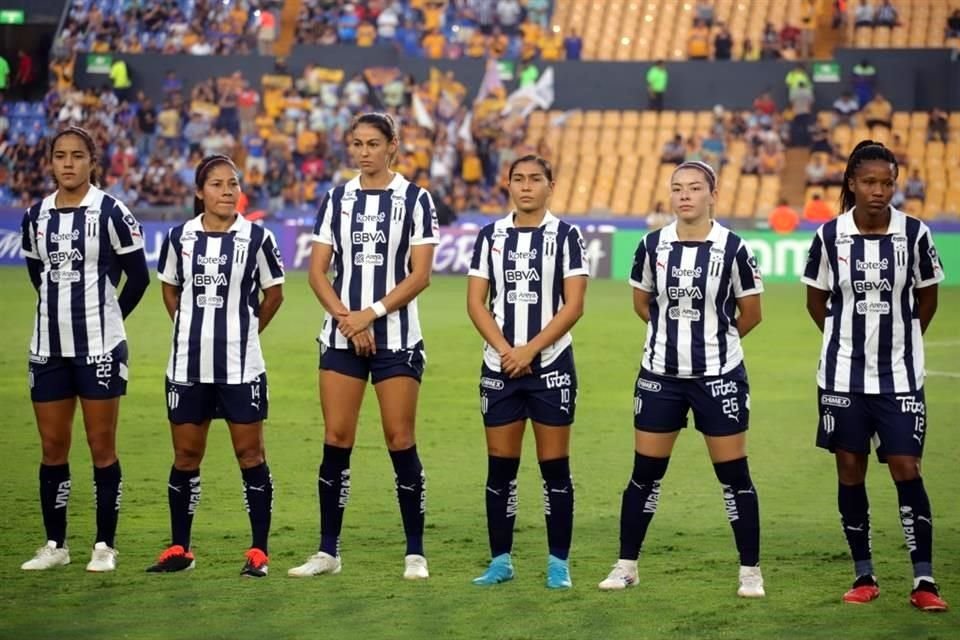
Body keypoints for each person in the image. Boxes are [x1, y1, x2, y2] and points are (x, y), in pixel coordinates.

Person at [597, 161, 766, 598]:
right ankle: (626, 565)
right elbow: (642, 304)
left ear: (713, 194)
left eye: (694, 188)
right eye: (677, 189)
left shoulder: (734, 248)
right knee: (644, 475)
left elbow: (751, 314)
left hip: (719, 378)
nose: (685, 195)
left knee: (734, 477)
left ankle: (750, 572)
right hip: (660, 378)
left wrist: (713, 346)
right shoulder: (652, 245)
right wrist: (670, 342)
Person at [288, 112, 439, 580]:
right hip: (340, 334)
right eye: (356, 144)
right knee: (336, 438)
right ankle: (327, 551)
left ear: (393, 145)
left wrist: (368, 316)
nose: (364, 152)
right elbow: (317, 272)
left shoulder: (416, 200)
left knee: (400, 439)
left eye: (373, 143)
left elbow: (421, 275)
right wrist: (347, 321)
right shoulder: (336, 199)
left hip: (395, 338)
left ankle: (415, 551)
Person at [801, 140, 948, 612]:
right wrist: (846, 342)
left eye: (887, 182)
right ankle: (863, 573)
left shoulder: (916, 235)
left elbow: (928, 299)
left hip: (900, 378)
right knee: (850, 469)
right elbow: (815, 302)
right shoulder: (828, 237)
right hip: (842, 379)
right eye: (869, 182)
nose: (879, 191)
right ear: (851, 183)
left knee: (907, 467)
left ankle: (923, 579)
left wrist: (899, 342)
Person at [146, 155, 284, 577]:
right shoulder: (178, 238)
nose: (227, 191)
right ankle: (179, 549)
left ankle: (258, 552)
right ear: (199, 192)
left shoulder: (257, 238)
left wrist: (244, 333)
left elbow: (274, 295)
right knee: (186, 457)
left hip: (241, 366)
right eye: (217, 184)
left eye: (233, 183)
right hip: (187, 365)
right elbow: (170, 289)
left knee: (250, 455)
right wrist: (189, 327)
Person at [19, 126, 149, 572]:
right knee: (53, 446)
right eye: (60, 156)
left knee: (101, 447)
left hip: (100, 346)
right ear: (51, 162)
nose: (68, 163)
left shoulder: (112, 212)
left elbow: (139, 278)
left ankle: (103, 545)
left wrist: (108, 320)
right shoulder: (35, 216)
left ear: (93, 162)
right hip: (48, 347)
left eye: (77, 155)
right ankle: (55, 545)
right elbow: (38, 275)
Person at [465, 155, 589, 589]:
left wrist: (530, 349)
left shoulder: (567, 236)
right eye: (518, 179)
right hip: (499, 366)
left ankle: (559, 563)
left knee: (554, 467)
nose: (526, 186)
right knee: (501, 468)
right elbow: (476, 302)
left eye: (535, 179)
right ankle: (501, 561)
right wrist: (505, 350)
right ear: (509, 185)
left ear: (550, 185)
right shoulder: (490, 236)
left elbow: (574, 304)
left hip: (550, 364)